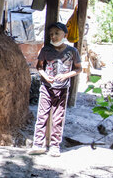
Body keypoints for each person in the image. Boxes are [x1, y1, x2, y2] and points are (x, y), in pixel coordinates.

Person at [28, 22, 82, 157]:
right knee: (42, 115)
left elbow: (78, 68)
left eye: (57, 33)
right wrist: (46, 77)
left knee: (58, 118)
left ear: (65, 34)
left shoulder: (72, 51)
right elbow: (39, 67)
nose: (53, 36)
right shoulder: (45, 50)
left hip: (62, 89)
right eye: (51, 34)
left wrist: (65, 76)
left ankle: (54, 146)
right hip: (46, 88)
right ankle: (38, 144)